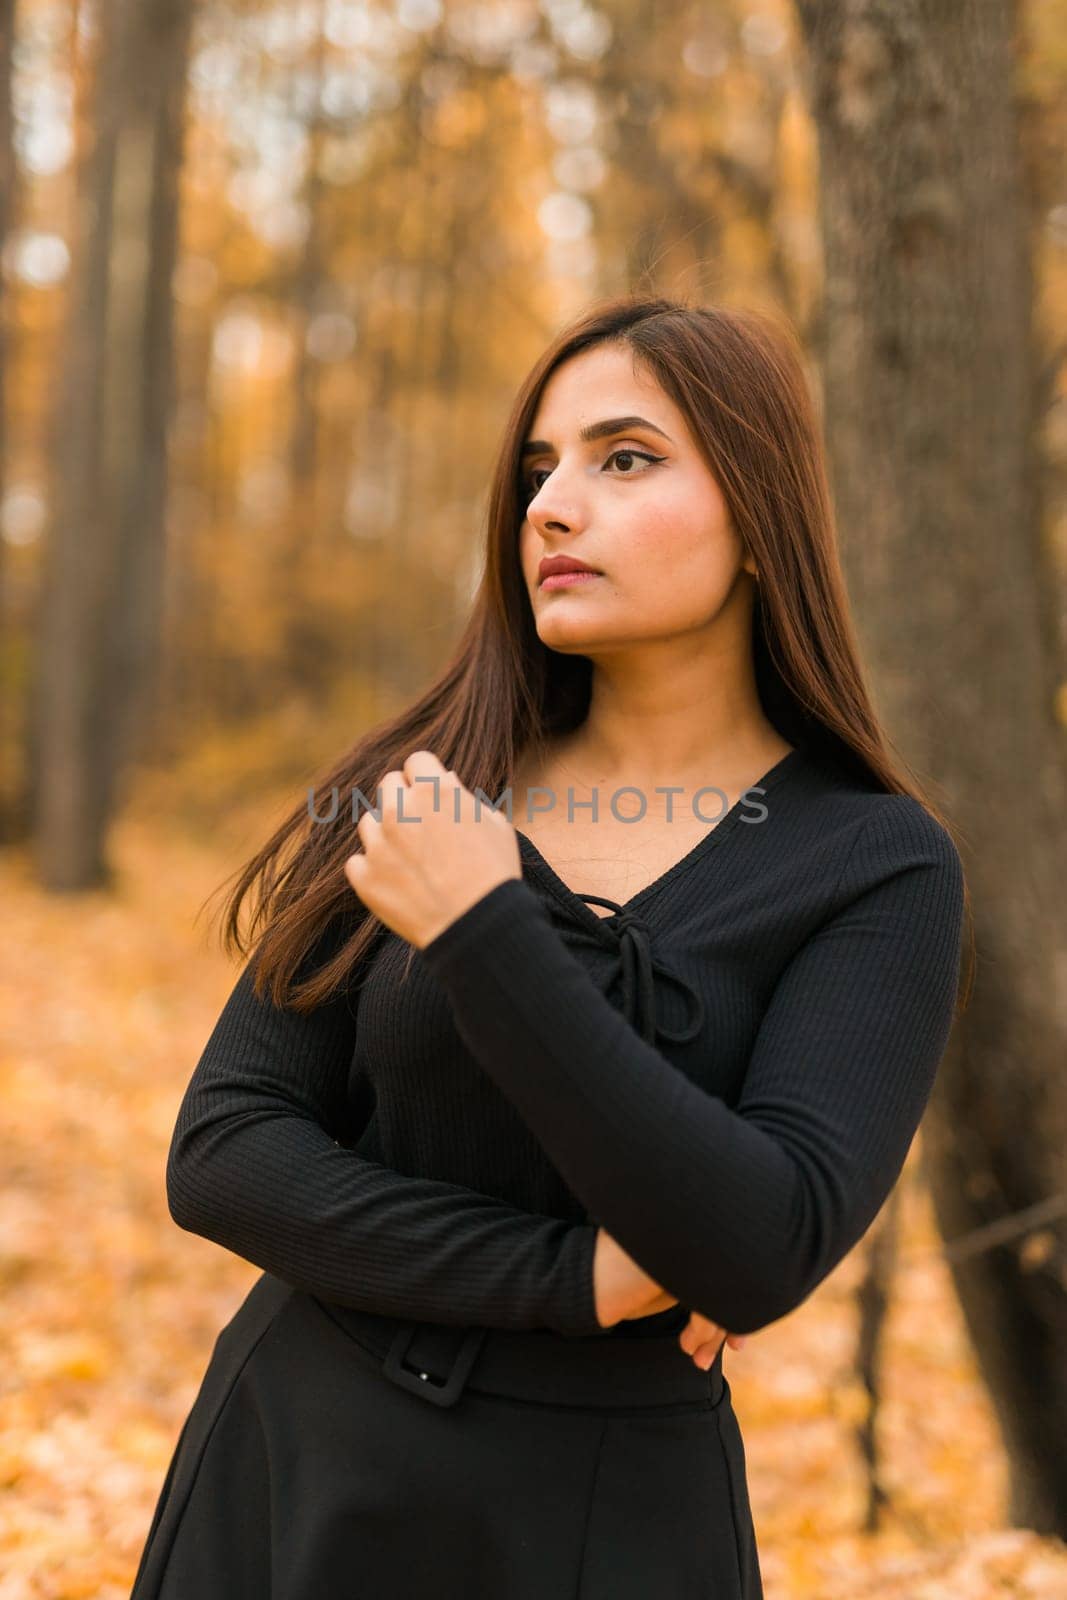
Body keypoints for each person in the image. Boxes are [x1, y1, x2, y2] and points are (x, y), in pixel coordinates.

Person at [129, 295, 971, 1599]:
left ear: (760, 514)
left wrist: (487, 931)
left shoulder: (875, 864)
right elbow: (227, 1150)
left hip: (602, 1525)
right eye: (539, 470)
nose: (551, 507)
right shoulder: (421, 781)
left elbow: (760, 1244)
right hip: (297, 1471)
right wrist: (571, 1274)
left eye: (622, 459)